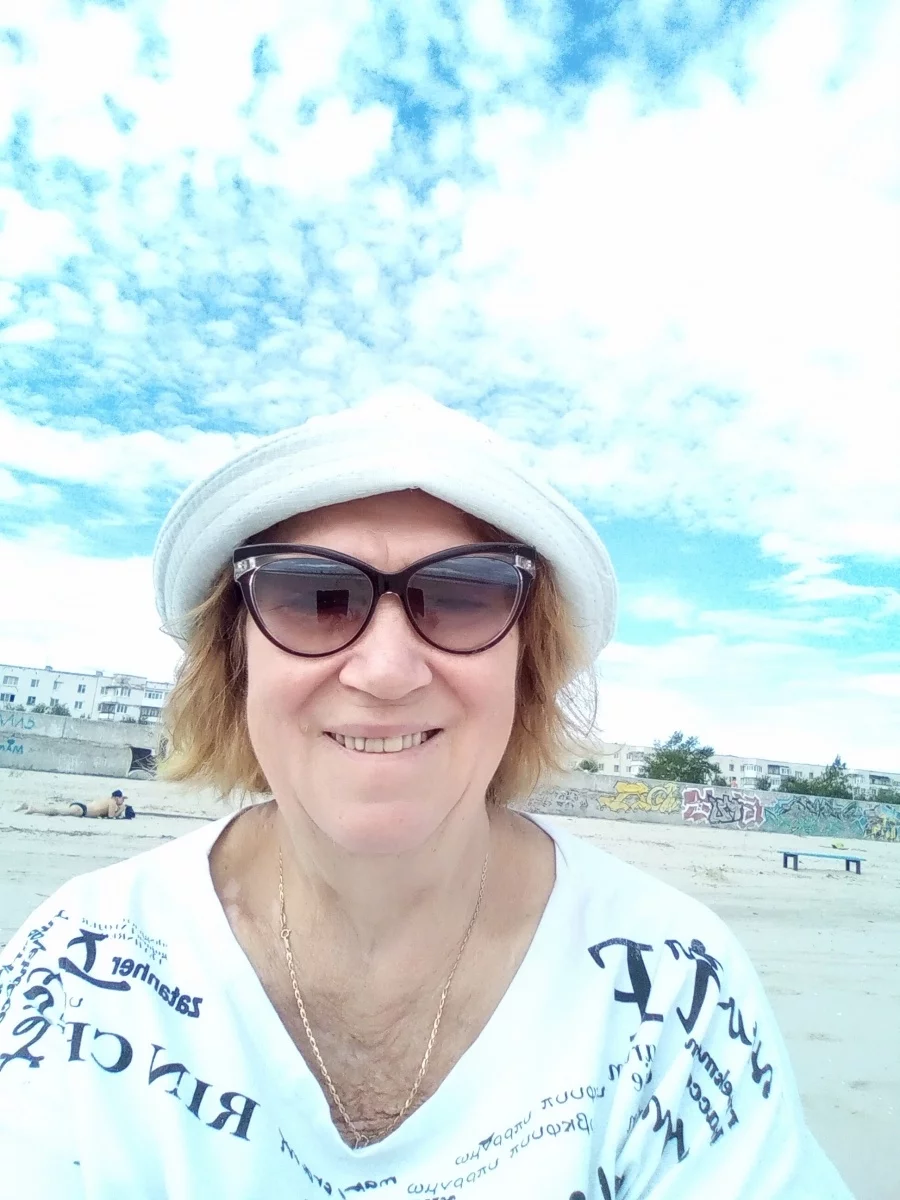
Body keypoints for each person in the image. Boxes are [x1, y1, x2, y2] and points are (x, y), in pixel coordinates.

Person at [0, 392, 853, 1198]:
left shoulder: (672, 991)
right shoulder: (82, 965)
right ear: (236, 661)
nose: (385, 670)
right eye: (313, 597)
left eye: (461, 596)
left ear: (527, 665)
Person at [15, 789, 134, 819]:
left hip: (81, 806)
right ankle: (34, 809)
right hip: (82, 811)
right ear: (117, 797)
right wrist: (121, 809)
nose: (123, 801)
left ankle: (27, 806)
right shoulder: (112, 802)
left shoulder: (106, 799)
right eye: (122, 799)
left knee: (58, 810)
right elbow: (111, 817)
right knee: (56, 811)